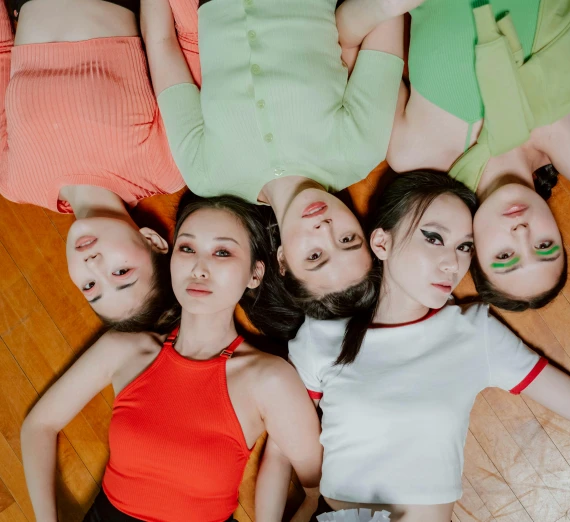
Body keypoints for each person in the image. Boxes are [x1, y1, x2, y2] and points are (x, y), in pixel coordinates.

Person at [261, 172, 570, 522]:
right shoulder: (320, 338)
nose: (451, 264)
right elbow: (282, 445)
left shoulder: (473, 334)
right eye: (434, 238)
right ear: (382, 243)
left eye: (464, 248)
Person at [339, 0, 570, 482]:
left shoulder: (414, 151)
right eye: (545, 246)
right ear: (556, 227)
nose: (523, 233)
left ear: (472, 249)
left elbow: (354, 37)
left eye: (505, 256)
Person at [21, 195, 322, 522]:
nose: (199, 268)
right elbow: (39, 425)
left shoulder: (270, 378)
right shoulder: (124, 350)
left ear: (254, 274)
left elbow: (315, 486)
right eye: (187, 248)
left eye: (222, 252)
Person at [139, 0, 406, 319]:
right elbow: (389, 14)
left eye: (315, 255)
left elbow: (161, 45)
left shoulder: (206, 176)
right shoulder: (361, 149)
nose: (325, 228)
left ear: (282, 260)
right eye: (348, 239)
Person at [0, 0, 203, 329]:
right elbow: (189, 44)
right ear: (153, 242)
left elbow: (1, 53)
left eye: (90, 286)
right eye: (121, 273)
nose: (93, 265)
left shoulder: (15, 182)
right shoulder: (164, 170)